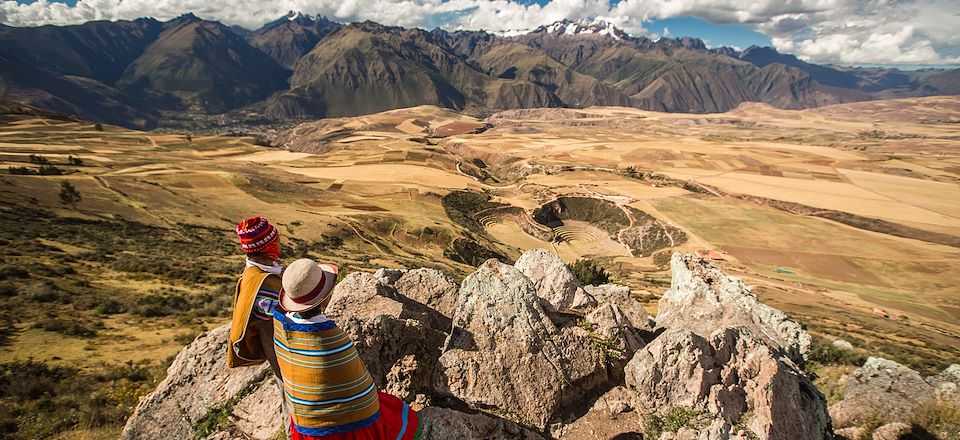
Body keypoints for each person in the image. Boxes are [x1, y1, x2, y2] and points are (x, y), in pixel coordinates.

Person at [274, 259, 421, 440]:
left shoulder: (281, 326)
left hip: (303, 422)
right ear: (325, 297)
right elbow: (362, 392)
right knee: (393, 411)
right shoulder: (331, 338)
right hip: (342, 429)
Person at [229, 216, 290, 438]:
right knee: (294, 405)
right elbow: (276, 323)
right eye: (276, 241)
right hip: (284, 356)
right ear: (269, 246)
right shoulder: (262, 284)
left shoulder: (259, 274)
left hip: (282, 355)